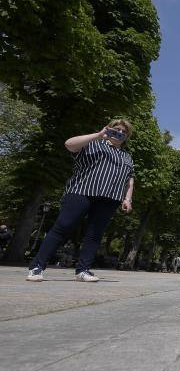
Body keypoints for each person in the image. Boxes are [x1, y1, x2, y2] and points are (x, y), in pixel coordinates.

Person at [26, 120, 135, 283]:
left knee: (94, 235)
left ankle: (83, 270)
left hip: (110, 197)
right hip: (82, 191)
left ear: (126, 137)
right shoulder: (94, 144)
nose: (119, 133)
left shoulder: (127, 157)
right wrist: (99, 134)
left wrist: (127, 198)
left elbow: (130, 180)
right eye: (116, 129)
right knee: (63, 227)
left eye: (123, 132)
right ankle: (37, 267)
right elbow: (69, 144)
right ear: (109, 129)